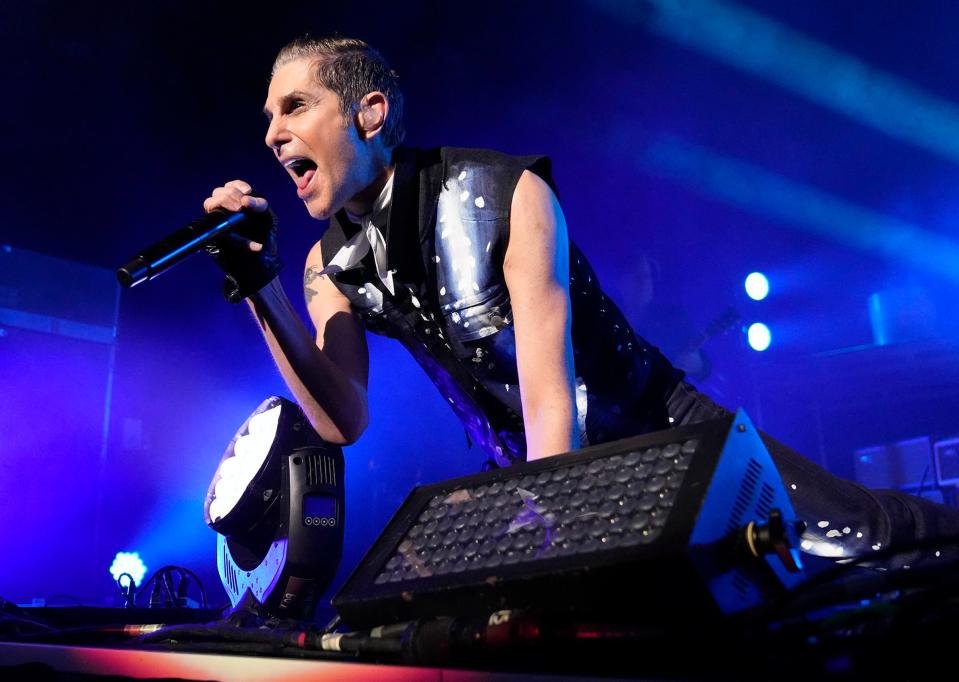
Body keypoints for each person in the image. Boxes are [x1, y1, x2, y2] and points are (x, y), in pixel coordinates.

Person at [202, 35, 959, 569]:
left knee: (857, 540)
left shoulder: (502, 194)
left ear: (366, 113)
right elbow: (342, 420)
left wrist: (547, 530)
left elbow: (548, 400)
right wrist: (259, 284)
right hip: (536, 477)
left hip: (666, 438)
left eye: (293, 107)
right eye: (268, 117)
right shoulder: (326, 263)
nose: (272, 135)